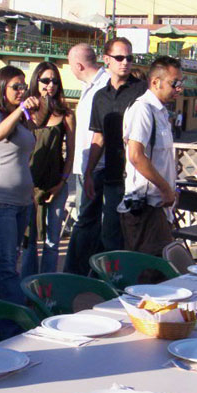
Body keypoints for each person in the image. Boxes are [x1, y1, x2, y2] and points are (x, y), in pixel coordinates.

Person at [83, 37, 147, 252]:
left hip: (139, 178)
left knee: (137, 237)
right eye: (119, 57)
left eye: (129, 58)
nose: (125, 62)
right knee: (110, 235)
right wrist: (89, 173)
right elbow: (98, 137)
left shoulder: (143, 91)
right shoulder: (100, 97)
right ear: (106, 59)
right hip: (113, 176)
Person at [0, 66, 37, 307]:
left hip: (22, 201)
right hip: (0, 200)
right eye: (16, 86)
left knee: (3, 261)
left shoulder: (21, 118)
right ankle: (14, 319)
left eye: (24, 86)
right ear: (2, 87)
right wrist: (21, 110)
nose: (21, 91)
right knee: (7, 264)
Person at [118, 56, 183, 256]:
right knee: (147, 269)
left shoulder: (160, 111)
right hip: (145, 207)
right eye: (174, 83)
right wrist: (165, 189)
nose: (179, 89)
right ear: (156, 82)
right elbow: (136, 156)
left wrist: (170, 190)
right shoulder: (143, 109)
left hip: (158, 207)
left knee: (159, 266)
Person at [20, 62, 75, 277]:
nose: (50, 85)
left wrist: (62, 182)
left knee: (52, 241)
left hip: (55, 183)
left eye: (54, 81)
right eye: (45, 80)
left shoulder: (66, 114)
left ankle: (47, 285)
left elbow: (71, 152)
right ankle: (28, 285)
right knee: (29, 241)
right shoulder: (25, 112)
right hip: (29, 184)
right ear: (36, 81)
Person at [63, 43, 110, 276]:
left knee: (86, 222)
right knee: (89, 223)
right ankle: (87, 272)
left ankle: (75, 274)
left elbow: (100, 132)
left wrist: (91, 169)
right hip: (86, 167)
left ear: (79, 65)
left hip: (96, 167)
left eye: (71, 65)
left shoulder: (104, 86)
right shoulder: (89, 87)